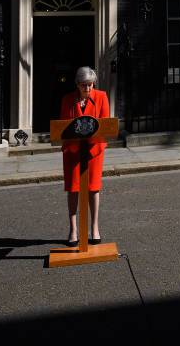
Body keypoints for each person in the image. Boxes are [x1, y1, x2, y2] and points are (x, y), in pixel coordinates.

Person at [59, 66, 110, 247]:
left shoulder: (102, 97)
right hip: (73, 152)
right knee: (73, 189)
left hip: (93, 152)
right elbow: (63, 128)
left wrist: (93, 146)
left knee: (93, 188)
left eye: (90, 85)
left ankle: (94, 227)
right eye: (83, 85)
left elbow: (105, 126)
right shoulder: (67, 100)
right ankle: (73, 229)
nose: (87, 89)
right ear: (77, 85)